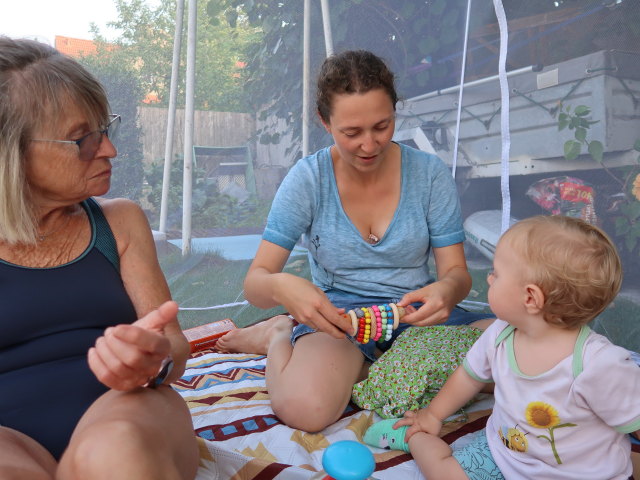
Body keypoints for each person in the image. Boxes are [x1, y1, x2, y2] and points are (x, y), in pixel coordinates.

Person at [216, 49, 494, 433]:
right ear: (325, 122)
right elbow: (256, 285)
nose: (369, 145)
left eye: (382, 126)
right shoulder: (308, 179)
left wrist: (446, 291)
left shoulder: (429, 175)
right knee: (306, 410)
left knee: (521, 351)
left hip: (415, 315)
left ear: (395, 112)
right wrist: (283, 285)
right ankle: (280, 333)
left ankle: (370, 370)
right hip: (340, 320)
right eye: (352, 132)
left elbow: (457, 274)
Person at [0, 37, 198, 479]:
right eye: (82, 139)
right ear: (10, 153)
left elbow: (175, 345)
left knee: (119, 456)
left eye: (105, 130)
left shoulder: (120, 223)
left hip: (126, 408)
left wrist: (154, 361)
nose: (108, 150)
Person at [365, 215, 640, 480]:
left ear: (530, 297)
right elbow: (469, 375)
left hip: (580, 475)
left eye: (496, 273)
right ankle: (415, 438)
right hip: (504, 455)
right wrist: (433, 415)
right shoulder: (500, 334)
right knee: (445, 473)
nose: (489, 279)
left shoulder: (598, 364)